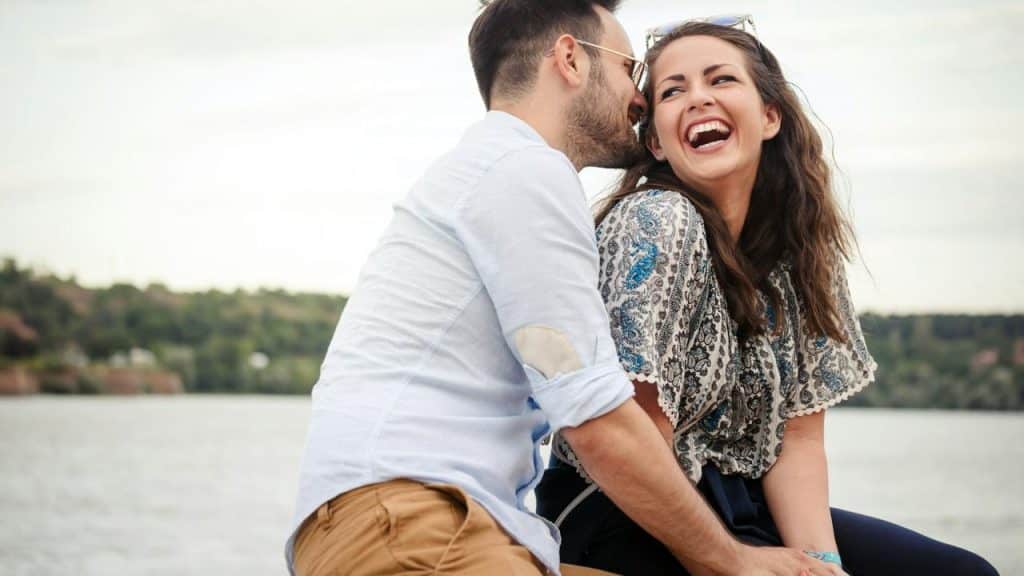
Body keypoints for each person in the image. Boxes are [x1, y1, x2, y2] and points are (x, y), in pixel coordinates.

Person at [285, 2, 840, 576]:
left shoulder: (494, 172)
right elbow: (593, 414)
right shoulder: (524, 172)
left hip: (422, 523)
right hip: (410, 525)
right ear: (572, 59)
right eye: (630, 68)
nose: (640, 99)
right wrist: (732, 560)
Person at [536, 17, 1000, 576]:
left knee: (961, 572)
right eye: (673, 90)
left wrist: (822, 562)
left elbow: (798, 439)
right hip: (620, 510)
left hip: (735, 503)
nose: (698, 98)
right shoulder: (659, 220)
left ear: (770, 115)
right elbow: (633, 435)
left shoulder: (795, 252)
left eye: (721, 80)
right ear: (655, 140)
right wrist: (725, 559)